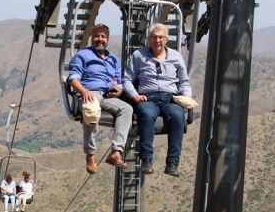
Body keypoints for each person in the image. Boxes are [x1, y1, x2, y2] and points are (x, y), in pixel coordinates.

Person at [123, 23, 192, 177]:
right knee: (146, 114)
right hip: (149, 97)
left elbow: (184, 81)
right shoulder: (139, 56)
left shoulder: (175, 56)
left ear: (166, 40)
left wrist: (186, 96)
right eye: (154, 37)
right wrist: (134, 95)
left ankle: (172, 163)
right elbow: (127, 79)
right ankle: (146, 159)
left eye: (161, 37)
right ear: (149, 39)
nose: (157, 40)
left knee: (177, 115)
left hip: (170, 97)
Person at [68, 23, 133, 174]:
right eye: (97, 36)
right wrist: (84, 91)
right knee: (92, 109)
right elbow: (73, 78)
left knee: (127, 109)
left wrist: (118, 89)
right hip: (90, 92)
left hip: (107, 94)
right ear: (92, 38)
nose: (100, 39)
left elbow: (118, 80)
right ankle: (90, 154)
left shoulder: (114, 60)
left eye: (103, 36)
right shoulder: (82, 55)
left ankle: (116, 151)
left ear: (107, 39)